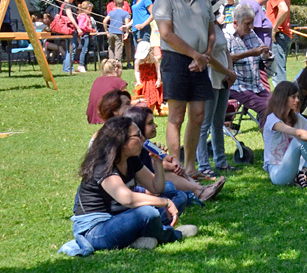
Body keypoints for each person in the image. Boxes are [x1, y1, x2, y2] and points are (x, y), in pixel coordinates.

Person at [61, 116, 197, 256]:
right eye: (137, 135)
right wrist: (165, 202)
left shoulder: (131, 159)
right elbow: (128, 199)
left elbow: (156, 188)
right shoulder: (102, 165)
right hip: (95, 230)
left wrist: (157, 164)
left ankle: (134, 239)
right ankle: (173, 235)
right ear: (121, 141)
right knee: (147, 212)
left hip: (121, 218)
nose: (143, 139)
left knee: (176, 198)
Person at [154, 0, 217, 180]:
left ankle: (190, 167)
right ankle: (176, 166)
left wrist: (205, 56)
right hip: (176, 60)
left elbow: (211, 31)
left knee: (198, 115)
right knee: (176, 116)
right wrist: (195, 55)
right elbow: (166, 34)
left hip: (200, 61)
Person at [126, 106, 223, 203]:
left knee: (174, 171)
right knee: (168, 182)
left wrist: (175, 161)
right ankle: (198, 192)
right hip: (142, 187)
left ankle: (200, 189)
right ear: (138, 126)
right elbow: (150, 165)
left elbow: (165, 156)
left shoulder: (147, 143)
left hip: (153, 182)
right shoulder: (133, 148)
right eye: (150, 123)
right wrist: (172, 166)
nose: (156, 125)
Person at [196, 14, 235, 175]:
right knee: (204, 124)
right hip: (210, 79)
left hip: (224, 79)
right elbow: (209, 58)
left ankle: (221, 161)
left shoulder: (218, 27)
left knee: (218, 122)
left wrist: (230, 72)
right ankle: (203, 165)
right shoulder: (202, 30)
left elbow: (226, 51)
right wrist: (228, 72)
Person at [227, 3, 271, 122]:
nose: (251, 27)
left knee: (278, 105)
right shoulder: (227, 36)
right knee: (266, 108)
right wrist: (249, 53)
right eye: (247, 23)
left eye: (252, 22)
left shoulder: (251, 34)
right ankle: (269, 136)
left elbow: (261, 54)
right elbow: (223, 58)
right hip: (237, 86)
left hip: (256, 86)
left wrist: (266, 54)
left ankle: (278, 137)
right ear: (236, 23)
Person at [258, 0, 292, 87]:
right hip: (284, 34)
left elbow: (283, 9)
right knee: (270, 69)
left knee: (278, 73)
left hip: (278, 35)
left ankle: (284, 102)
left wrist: (274, 29)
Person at [87, 59, 128, 124]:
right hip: (109, 117)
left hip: (93, 117)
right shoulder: (119, 82)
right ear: (116, 69)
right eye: (121, 68)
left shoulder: (97, 80)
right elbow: (127, 101)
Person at [133, 41, 164, 116]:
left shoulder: (154, 59)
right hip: (143, 81)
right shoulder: (138, 61)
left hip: (152, 81)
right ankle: (144, 111)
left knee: (153, 97)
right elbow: (137, 71)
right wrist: (138, 81)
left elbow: (157, 70)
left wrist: (159, 80)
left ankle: (151, 111)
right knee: (144, 97)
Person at [103, 0, 132, 67]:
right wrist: (127, 33)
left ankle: (111, 63)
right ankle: (117, 63)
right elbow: (127, 24)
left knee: (111, 47)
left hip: (111, 32)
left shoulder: (111, 12)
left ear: (114, 4)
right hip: (119, 33)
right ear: (123, 4)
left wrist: (106, 31)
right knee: (118, 48)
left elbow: (104, 21)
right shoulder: (125, 13)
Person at [76, 0, 97, 71]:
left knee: (86, 50)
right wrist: (90, 29)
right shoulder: (83, 16)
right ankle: (81, 64)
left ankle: (84, 64)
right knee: (84, 50)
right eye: (90, 9)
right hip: (84, 34)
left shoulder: (86, 16)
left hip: (87, 34)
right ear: (87, 9)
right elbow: (81, 26)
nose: (91, 11)